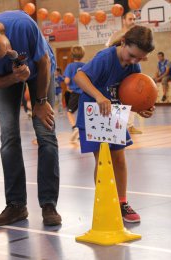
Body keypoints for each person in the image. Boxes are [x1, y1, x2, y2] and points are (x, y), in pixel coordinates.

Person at [74, 25, 155, 223]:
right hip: (94, 112)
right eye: (132, 55)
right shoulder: (106, 57)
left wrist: (141, 108)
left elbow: (129, 93)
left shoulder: (133, 66)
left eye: (139, 58)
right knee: (103, 160)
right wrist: (99, 96)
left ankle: (121, 202)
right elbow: (79, 76)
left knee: (119, 159)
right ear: (123, 43)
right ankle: (105, 201)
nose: (134, 61)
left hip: (114, 113)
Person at [0, 10, 61, 226]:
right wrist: (12, 77)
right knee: (8, 137)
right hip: (4, 79)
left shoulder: (23, 25)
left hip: (39, 72)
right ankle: (16, 205)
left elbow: (44, 63)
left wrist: (41, 103)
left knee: (46, 133)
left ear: (3, 34)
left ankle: (49, 204)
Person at [107, 11, 142, 134]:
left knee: (132, 95)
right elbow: (109, 49)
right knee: (117, 98)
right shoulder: (116, 35)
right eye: (130, 19)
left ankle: (130, 125)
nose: (133, 21)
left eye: (134, 19)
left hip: (130, 70)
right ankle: (118, 125)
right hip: (117, 71)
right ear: (123, 20)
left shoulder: (137, 35)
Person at [63, 45, 85, 143]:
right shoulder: (86, 65)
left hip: (75, 93)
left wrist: (66, 81)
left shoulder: (70, 66)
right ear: (83, 55)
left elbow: (67, 81)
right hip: (85, 92)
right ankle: (82, 133)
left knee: (69, 112)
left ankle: (75, 127)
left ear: (72, 55)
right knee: (83, 113)